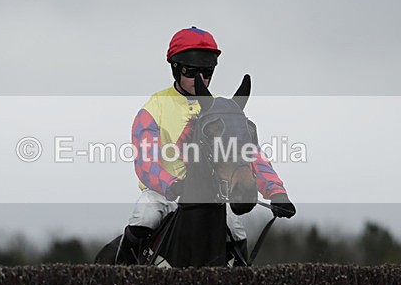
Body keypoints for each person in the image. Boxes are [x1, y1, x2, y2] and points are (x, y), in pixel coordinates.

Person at [116, 26, 296, 263]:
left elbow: (248, 154)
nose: (200, 79)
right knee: (144, 216)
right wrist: (173, 185)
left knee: (236, 229)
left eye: (207, 72)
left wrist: (276, 192)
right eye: (192, 72)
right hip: (163, 194)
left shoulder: (223, 110)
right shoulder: (154, 107)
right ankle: (122, 275)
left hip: (210, 196)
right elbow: (145, 161)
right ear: (176, 68)